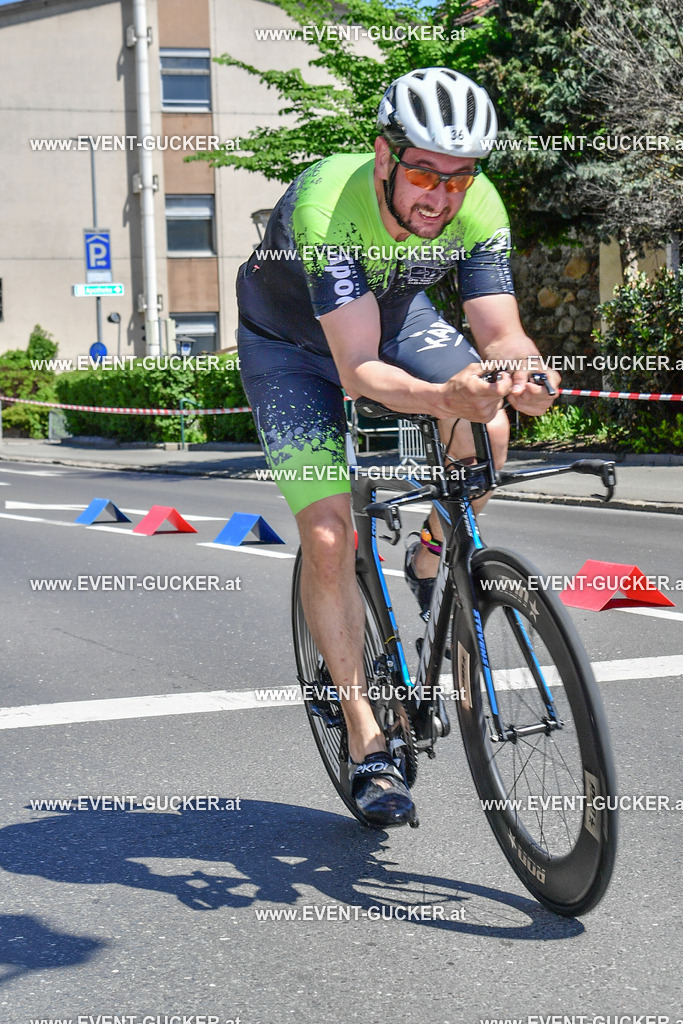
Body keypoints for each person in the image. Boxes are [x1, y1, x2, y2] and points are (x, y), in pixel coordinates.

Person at [236, 67, 560, 829]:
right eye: (423, 173)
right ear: (385, 156)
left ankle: (431, 554)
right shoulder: (327, 205)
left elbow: (500, 331)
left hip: (390, 315)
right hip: (290, 349)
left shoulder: (476, 204)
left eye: (458, 176)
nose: (441, 197)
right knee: (328, 535)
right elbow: (356, 371)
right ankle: (366, 738)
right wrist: (444, 396)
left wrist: (527, 372)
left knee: (490, 429)